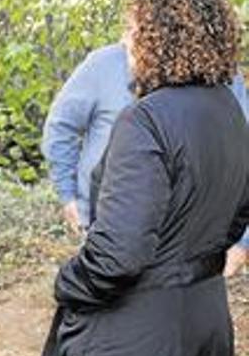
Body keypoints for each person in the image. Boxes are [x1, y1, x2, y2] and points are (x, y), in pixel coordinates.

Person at [43, 0, 249, 356]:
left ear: (161, 35)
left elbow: (119, 255)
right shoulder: (229, 109)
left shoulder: (146, 120)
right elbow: (235, 217)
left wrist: (67, 283)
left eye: (135, 28)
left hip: (138, 352)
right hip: (202, 334)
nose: (128, 40)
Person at [42, 44, 249, 235]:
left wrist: (242, 240)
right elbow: (61, 126)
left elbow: (243, 150)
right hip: (109, 223)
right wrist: (68, 194)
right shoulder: (104, 65)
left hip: (191, 234)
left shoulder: (219, 72)